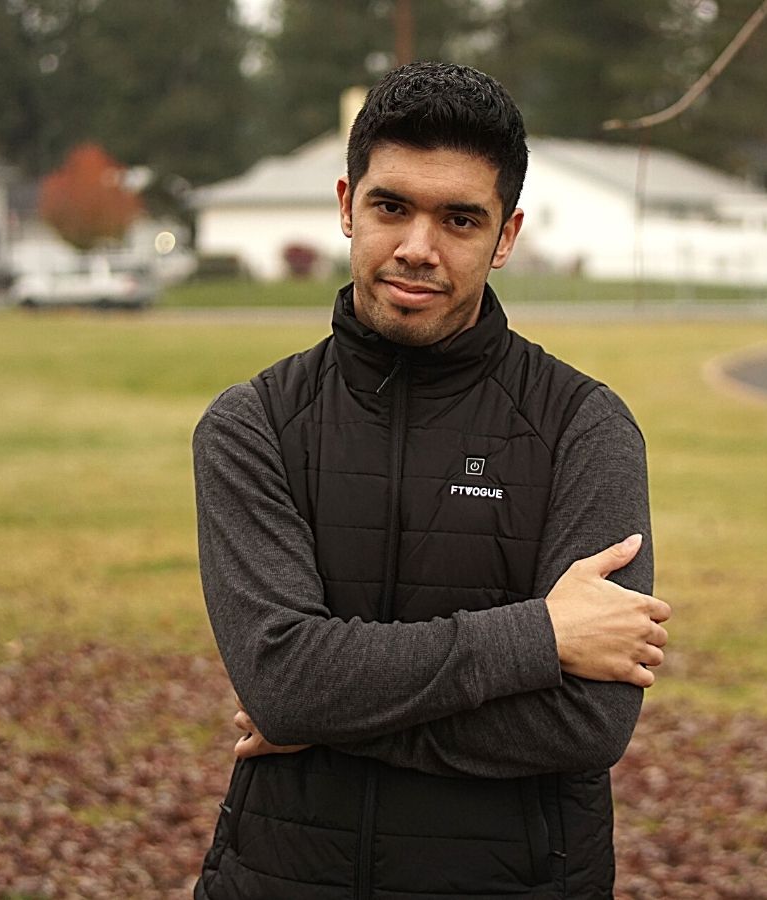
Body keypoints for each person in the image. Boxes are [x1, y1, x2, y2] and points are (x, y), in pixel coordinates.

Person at [192, 61, 670, 900]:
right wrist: (539, 637)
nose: (418, 247)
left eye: (459, 219)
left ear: (505, 236)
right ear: (347, 205)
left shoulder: (583, 429)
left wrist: (327, 722)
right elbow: (283, 680)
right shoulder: (253, 426)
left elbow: (589, 721)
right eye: (392, 207)